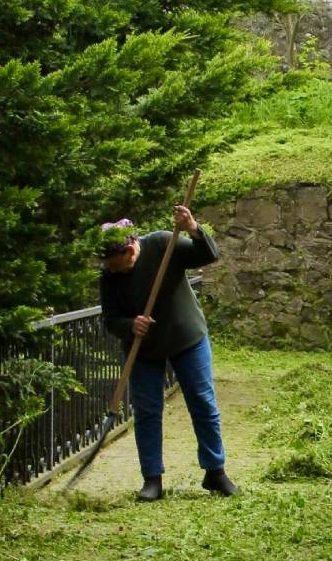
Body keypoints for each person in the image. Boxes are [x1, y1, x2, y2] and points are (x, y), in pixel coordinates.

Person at [98, 206, 239, 501]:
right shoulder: (109, 277)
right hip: (144, 349)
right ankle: (152, 480)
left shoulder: (163, 243)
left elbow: (207, 255)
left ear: (130, 247)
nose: (114, 269)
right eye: (109, 264)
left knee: (203, 402)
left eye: (117, 262)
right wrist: (130, 324)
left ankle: (216, 471)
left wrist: (192, 228)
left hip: (187, 338)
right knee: (147, 412)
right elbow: (110, 319)